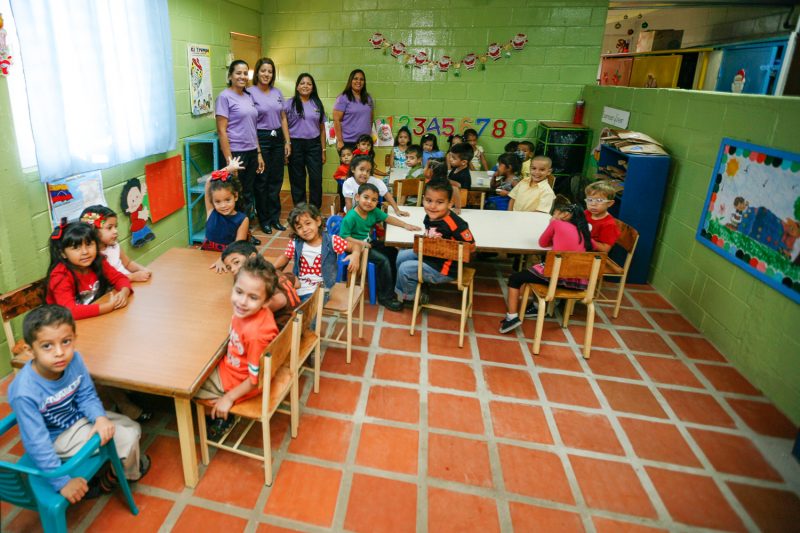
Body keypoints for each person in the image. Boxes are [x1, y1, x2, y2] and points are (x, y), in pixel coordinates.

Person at [9, 304, 150, 502]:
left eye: (66, 341)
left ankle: (121, 467)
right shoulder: (24, 392)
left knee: (134, 427)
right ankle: (112, 480)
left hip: (78, 419)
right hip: (57, 438)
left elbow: (86, 394)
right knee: (128, 438)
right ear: (30, 350)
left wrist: (99, 418)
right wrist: (62, 482)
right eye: (47, 346)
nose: (59, 352)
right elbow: (37, 443)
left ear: (74, 338)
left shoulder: (74, 359)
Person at [195, 255, 280, 438]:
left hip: (238, 382)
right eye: (239, 292)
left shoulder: (256, 334)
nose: (242, 302)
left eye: (253, 297)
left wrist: (229, 397)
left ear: (266, 302)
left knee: (188, 385)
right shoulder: (248, 313)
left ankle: (223, 416)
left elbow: (253, 380)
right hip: (232, 369)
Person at [499, 203, 593, 333]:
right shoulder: (585, 230)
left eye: (555, 213)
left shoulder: (557, 224)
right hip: (578, 282)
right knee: (537, 270)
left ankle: (512, 317)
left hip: (557, 277)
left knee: (515, 278)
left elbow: (542, 243)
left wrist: (553, 223)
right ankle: (536, 306)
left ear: (565, 215)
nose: (553, 216)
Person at [340, 183, 421, 311]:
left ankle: (392, 285)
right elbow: (344, 238)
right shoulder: (350, 217)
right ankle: (385, 297)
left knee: (393, 252)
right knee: (383, 260)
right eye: (365, 197)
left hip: (369, 243)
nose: (369, 202)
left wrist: (405, 225)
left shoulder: (373, 211)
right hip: (355, 247)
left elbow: (388, 218)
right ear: (357, 197)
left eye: (373, 200)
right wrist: (360, 243)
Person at [395, 179, 475, 305]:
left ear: (450, 204)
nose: (432, 206)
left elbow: (471, 246)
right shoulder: (430, 215)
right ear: (423, 200)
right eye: (429, 201)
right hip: (430, 257)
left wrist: (446, 247)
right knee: (401, 256)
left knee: (405, 268)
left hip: (444, 269)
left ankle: (411, 297)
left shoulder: (455, 224)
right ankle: (409, 288)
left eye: (440, 202)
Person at [273, 203, 362, 301]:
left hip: (322, 289)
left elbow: (354, 246)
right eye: (299, 227)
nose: (305, 229)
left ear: (318, 221)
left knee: (305, 309)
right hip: (298, 286)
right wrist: (270, 270)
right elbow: (285, 257)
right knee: (279, 301)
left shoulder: (332, 241)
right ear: (296, 231)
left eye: (308, 223)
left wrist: (356, 254)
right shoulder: (295, 243)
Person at [46, 220, 132, 320]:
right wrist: (108, 307)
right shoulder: (60, 275)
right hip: (64, 324)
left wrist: (124, 293)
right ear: (63, 253)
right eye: (76, 248)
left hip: (93, 318)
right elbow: (69, 311)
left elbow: (120, 278)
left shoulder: (98, 261)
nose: (85, 252)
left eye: (89, 244)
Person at [215, 60, 261, 229]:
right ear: (230, 76)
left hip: (250, 151)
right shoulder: (224, 97)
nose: (242, 76)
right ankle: (233, 232)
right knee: (234, 194)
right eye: (238, 73)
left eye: (245, 73)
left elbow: (252, 127)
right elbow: (222, 130)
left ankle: (245, 231)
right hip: (235, 153)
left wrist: (258, 152)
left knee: (248, 193)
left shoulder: (248, 96)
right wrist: (229, 161)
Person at [221, 240, 300, 329]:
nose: (233, 269)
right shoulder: (275, 272)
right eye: (229, 267)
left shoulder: (260, 280)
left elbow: (280, 301)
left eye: (236, 262)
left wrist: (253, 311)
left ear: (253, 257)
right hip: (298, 320)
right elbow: (297, 283)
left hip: (284, 329)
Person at [251, 57, 291, 234]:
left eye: (270, 71)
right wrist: (258, 150)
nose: (266, 74)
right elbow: (250, 122)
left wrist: (287, 141)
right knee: (262, 181)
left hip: (277, 138)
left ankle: (275, 218)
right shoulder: (249, 92)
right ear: (258, 72)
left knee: (276, 180)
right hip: (261, 137)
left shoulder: (277, 92)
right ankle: (264, 219)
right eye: (263, 70)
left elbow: (283, 117)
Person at [79, 205, 152, 282]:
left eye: (115, 226)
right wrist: (132, 276)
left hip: (129, 284)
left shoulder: (115, 245)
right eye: (109, 228)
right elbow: (108, 280)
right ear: (93, 231)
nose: (115, 231)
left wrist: (143, 269)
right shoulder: (91, 257)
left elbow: (128, 263)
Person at [285, 73, 326, 209]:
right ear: (297, 87)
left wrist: (323, 150)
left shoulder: (317, 103)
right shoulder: (289, 104)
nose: (305, 86)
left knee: (316, 178)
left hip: (314, 145)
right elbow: (282, 124)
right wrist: (286, 145)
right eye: (302, 83)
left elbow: (322, 129)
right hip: (295, 144)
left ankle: (314, 209)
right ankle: (301, 210)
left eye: (309, 84)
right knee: (297, 179)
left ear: (312, 88)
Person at [202, 160, 250, 272]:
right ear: (212, 202)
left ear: (236, 196)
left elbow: (237, 246)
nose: (223, 205)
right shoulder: (211, 211)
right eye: (218, 202)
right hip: (206, 256)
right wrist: (228, 168)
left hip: (230, 258)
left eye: (227, 200)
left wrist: (222, 259)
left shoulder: (243, 220)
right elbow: (209, 180)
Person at [342, 155, 408, 216]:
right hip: (352, 212)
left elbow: (387, 194)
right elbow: (348, 203)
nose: (365, 173)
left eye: (368, 171)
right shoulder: (348, 183)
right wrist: (350, 218)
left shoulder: (374, 181)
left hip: (368, 212)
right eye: (361, 169)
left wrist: (397, 210)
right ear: (353, 169)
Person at [333, 69, 373, 151]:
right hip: (348, 142)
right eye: (355, 79)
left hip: (364, 143)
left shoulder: (368, 98)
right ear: (350, 80)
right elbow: (336, 120)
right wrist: (340, 141)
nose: (358, 81)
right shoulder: (343, 98)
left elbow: (370, 119)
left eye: (361, 79)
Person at [584, 181, 621, 253]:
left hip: (593, 257)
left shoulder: (609, 224)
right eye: (590, 200)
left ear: (610, 203)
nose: (593, 204)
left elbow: (605, 249)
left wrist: (585, 239)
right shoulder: (587, 213)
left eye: (599, 200)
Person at [333, 144, 355, 213]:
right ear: (340, 159)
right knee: (344, 202)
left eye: (348, 155)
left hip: (354, 189)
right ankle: (343, 214)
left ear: (353, 156)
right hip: (344, 189)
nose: (346, 157)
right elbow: (335, 176)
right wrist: (342, 178)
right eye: (343, 156)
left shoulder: (356, 166)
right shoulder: (341, 168)